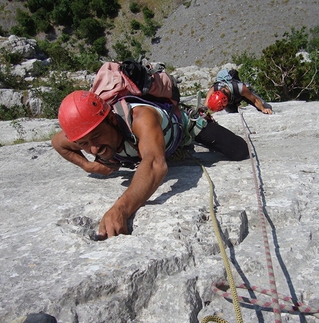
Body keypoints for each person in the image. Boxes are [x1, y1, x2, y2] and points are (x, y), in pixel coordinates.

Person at [52, 90, 249, 240]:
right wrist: (88, 165)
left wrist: (120, 210)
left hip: (183, 129)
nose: (93, 149)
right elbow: (58, 143)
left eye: (96, 137)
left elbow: (155, 164)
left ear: (112, 119)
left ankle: (191, 115)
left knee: (239, 150)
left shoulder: (140, 118)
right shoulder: (85, 134)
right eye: (84, 144)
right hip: (152, 145)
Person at [204, 69, 273, 114]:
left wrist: (263, 108)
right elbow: (205, 105)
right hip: (230, 99)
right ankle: (233, 106)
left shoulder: (240, 88)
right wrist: (202, 111)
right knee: (232, 111)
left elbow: (255, 100)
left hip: (239, 95)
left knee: (266, 107)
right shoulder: (214, 88)